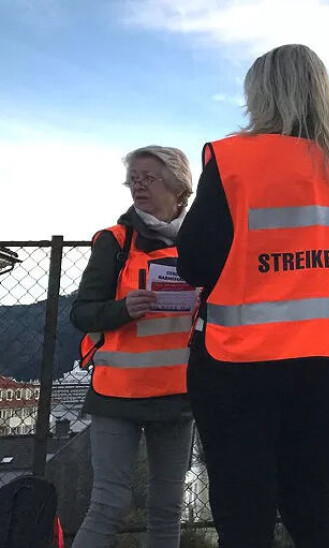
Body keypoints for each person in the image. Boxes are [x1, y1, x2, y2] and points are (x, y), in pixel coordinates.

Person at [176, 44, 329, 547]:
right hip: (326, 364)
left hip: (236, 366)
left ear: (263, 95)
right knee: (313, 512)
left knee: (245, 518)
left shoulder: (234, 159)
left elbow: (194, 262)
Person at [71, 146, 195, 548]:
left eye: (149, 178)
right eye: (134, 179)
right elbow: (82, 314)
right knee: (108, 504)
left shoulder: (200, 244)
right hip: (117, 394)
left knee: (167, 508)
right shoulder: (115, 242)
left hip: (177, 395)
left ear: (179, 188)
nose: (139, 186)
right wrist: (123, 309)